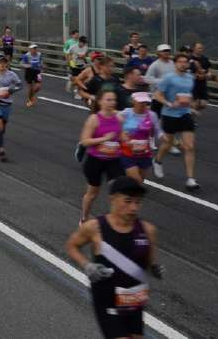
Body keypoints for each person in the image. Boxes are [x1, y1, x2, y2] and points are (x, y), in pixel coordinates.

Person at [65, 177, 161, 339]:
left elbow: (149, 259)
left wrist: (154, 267)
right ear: (113, 199)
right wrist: (87, 265)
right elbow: (71, 246)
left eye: (138, 202)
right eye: (128, 201)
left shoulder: (148, 230)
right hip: (106, 298)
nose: (133, 208)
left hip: (135, 299)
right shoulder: (95, 228)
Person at [79, 89, 128, 222]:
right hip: (95, 160)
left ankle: (114, 220)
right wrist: (103, 139)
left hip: (114, 160)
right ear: (100, 101)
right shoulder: (94, 119)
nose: (112, 102)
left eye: (114, 100)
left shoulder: (119, 117)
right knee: (92, 193)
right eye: (108, 99)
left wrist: (128, 139)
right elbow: (84, 141)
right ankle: (84, 217)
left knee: (118, 191)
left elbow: (122, 136)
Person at [152, 53, 199, 190]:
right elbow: (157, 95)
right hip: (169, 115)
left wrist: (192, 107)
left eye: (186, 62)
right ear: (175, 64)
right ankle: (158, 161)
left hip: (185, 114)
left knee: (189, 146)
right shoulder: (169, 78)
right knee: (167, 144)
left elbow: (189, 96)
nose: (183, 64)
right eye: (180, 62)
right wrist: (168, 103)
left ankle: (190, 179)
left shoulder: (191, 78)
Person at [119, 92, 160, 184]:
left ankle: (127, 192)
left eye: (145, 102)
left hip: (144, 154)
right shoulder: (126, 113)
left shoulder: (151, 115)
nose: (143, 104)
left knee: (140, 182)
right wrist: (122, 134)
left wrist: (162, 136)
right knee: (137, 181)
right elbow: (114, 125)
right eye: (140, 101)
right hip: (127, 153)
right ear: (134, 101)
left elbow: (158, 130)